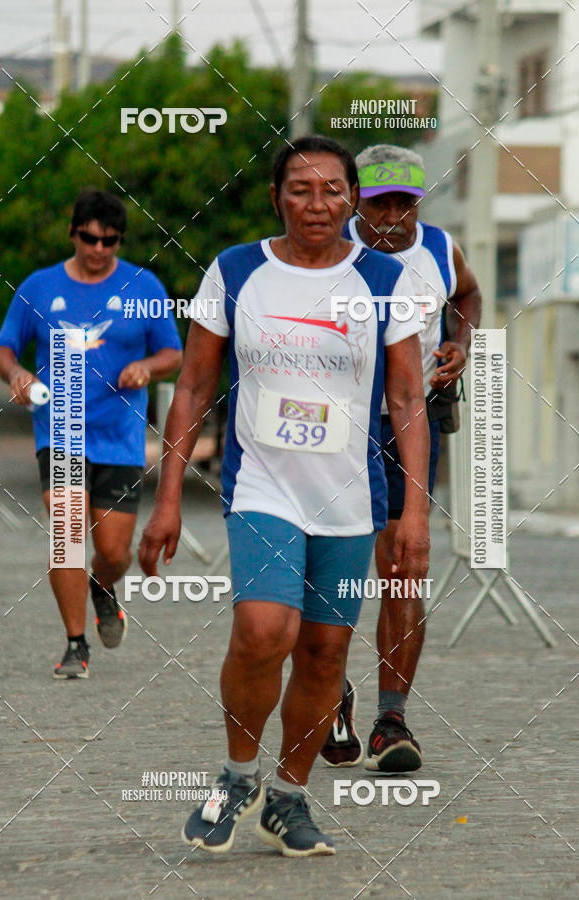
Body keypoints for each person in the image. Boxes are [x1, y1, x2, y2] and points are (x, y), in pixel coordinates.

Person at [139, 135, 430, 857]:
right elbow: (196, 388)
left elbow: (406, 396)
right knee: (266, 632)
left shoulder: (385, 279)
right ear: (276, 197)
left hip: (349, 498)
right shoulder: (238, 271)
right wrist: (169, 499)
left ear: (353, 200)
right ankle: (237, 774)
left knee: (327, 654)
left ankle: (289, 797)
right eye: (300, 189)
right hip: (262, 485)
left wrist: (415, 509)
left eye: (333, 189)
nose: (317, 203)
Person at [320, 144, 481, 773]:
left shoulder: (440, 248)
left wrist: (457, 343)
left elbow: (467, 295)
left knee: (404, 565)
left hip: (410, 427)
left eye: (404, 202)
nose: (392, 215)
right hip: (334, 430)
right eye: (380, 200)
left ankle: (392, 719)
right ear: (356, 196)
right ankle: (330, 692)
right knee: (329, 565)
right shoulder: (325, 250)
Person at [0, 188, 183, 679]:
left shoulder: (145, 287)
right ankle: (76, 644)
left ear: (119, 241)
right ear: (73, 233)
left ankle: (104, 587)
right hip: (61, 428)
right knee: (66, 535)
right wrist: (15, 374)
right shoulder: (39, 287)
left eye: (110, 242)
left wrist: (146, 366)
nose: (99, 250)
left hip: (119, 433)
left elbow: (172, 353)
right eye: (90, 239)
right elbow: (4, 348)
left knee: (115, 552)